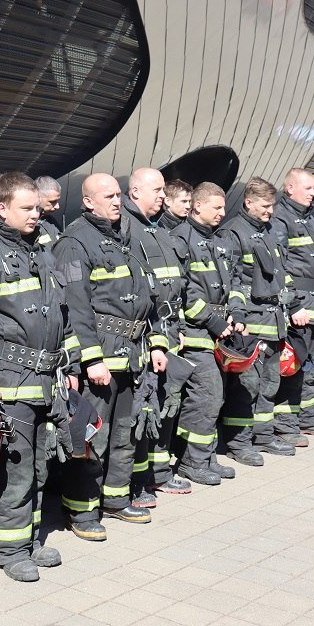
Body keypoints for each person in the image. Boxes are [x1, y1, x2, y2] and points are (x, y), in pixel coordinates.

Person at [0, 172, 70, 579]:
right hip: (10, 380)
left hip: (46, 378)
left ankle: (29, 539)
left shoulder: (42, 249)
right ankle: (10, 550)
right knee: (15, 469)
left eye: (38, 208)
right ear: (2, 208)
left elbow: (60, 312)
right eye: (27, 208)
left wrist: (70, 366)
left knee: (39, 466)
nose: (36, 214)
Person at [53, 173, 158, 540]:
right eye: (108, 196)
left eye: (118, 195)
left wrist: (153, 342)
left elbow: (144, 295)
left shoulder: (124, 236)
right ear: (87, 202)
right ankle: (81, 510)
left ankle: (115, 499)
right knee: (92, 437)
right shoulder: (74, 243)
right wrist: (91, 359)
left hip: (131, 354)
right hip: (101, 357)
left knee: (125, 433)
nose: (117, 201)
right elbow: (75, 306)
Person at [121, 168, 192, 504]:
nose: (163, 196)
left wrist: (176, 328)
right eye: (158, 190)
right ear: (135, 191)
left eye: (164, 190)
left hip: (168, 330)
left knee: (166, 405)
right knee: (144, 411)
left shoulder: (158, 228)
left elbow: (175, 285)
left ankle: (159, 473)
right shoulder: (126, 228)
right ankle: (138, 481)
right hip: (146, 334)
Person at [217, 178, 296, 464]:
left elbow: (280, 273)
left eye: (272, 205)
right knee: (247, 386)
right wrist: (238, 317)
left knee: (270, 383)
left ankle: (262, 435)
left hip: (273, 321)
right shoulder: (232, 233)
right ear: (248, 202)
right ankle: (238, 443)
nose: (270, 211)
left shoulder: (269, 230)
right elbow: (230, 280)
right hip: (249, 325)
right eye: (265, 206)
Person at [170, 182, 236, 485]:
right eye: (216, 207)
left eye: (223, 207)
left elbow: (232, 281)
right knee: (206, 398)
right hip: (196, 334)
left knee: (214, 399)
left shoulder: (216, 239)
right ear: (197, 206)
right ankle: (192, 462)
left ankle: (206, 457)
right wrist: (215, 321)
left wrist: (235, 313)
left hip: (216, 335)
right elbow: (184, 292)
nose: (222, 213)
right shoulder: (181, 239)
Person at [269, 169, 314, 443]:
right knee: (293, 366)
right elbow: (279, 266)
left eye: (313, 188)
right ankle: (285, 426)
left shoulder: (311, 217)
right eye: (308, 188)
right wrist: (294, 305)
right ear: (290, 188)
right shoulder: (279, 218)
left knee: (312, 365)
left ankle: (308, 419)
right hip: (299, 307)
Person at [35, 175, 63, 246]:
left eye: (58, 201)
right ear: (37, 198)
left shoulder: (50, 221)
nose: (57, 207)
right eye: (52, 202)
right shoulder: (26, 225)